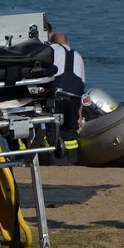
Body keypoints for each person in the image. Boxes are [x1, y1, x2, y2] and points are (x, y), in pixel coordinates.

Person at [47, 31, 86, 165]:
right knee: (71, 128)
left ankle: (56, 160)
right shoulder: (78, 55)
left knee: (52, 127)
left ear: (52, 42)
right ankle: (72, 159)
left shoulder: (49, 50)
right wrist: (79, 114)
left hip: (56, 94)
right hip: (74, 96)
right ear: (68, 43)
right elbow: (82, 87)